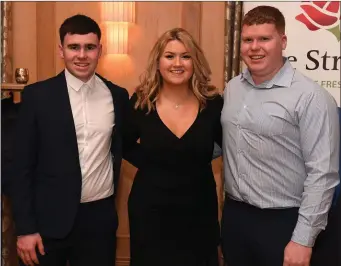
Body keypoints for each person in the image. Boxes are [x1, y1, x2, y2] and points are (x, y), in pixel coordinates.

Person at [220, 5, 340, 266]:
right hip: (235, 217)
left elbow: (323, 173)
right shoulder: (232, 88)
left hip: (285, 222)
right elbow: (224, 141)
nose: (255, 47)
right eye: (248, 39)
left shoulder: (311, 97)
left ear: (283, 41)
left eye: (265, 38)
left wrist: (303, 239)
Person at [9, 14, 129, 266]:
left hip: (99, 221)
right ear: (61, 50)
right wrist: (25, 229)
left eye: (90, 47)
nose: (82, 55)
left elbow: (124, 148)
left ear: (100, 50)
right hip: (45, 224)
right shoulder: (37, 96)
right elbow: (20, 167)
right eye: (74, 47)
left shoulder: (117, 96)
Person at [123, 27, 223, 266]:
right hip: (150, 213)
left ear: (194, 62)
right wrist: (155, 164)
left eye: (185, 56)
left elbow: (227, 145)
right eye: (169, 56)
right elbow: (123, 144)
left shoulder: (213, 104)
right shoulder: (141, 102)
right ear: (158, 62)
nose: (177, 63)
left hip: (199, 213)